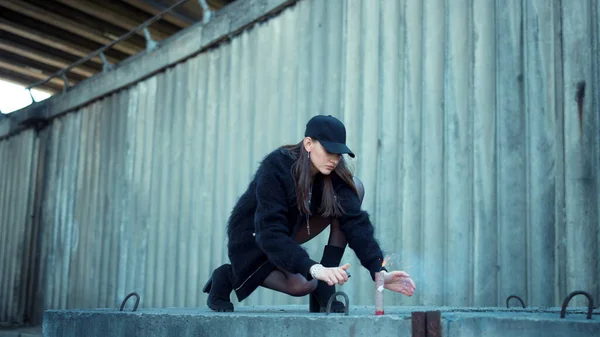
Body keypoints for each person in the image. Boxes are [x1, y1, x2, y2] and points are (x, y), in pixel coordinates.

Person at [202, 115, 416, 312]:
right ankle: (227, 275)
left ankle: (325, 284)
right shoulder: (276, 166)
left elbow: (355, 223)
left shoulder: (334, 173)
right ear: (308, 144)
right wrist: (313, 269)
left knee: (354, 188)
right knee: (302, 285)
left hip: (291, 228)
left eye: (338, 153)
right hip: (254, 237)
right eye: (328, 151)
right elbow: (269, 231)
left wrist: (378, 271)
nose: (334, 159)